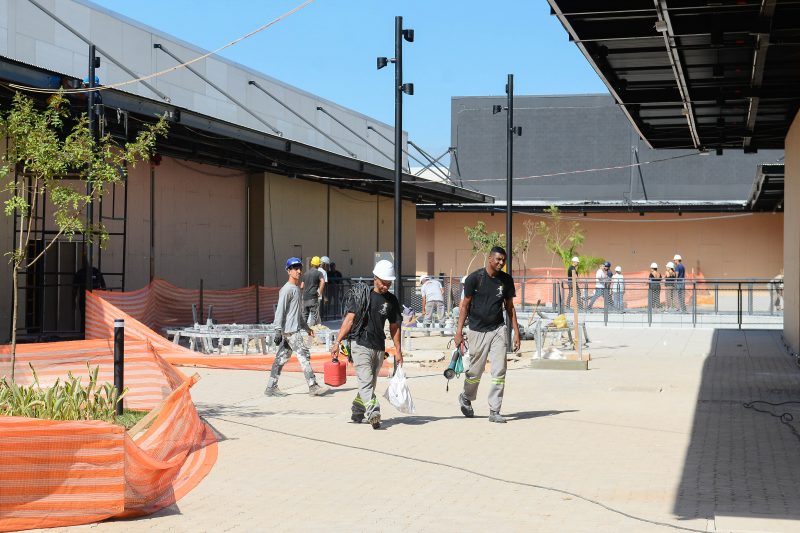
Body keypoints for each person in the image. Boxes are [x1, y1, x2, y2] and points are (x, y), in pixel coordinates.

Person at [332, 259, 403, 429]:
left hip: (378, 347)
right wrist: (337, 341)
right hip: (360, 344)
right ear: (375, 278)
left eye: (389, 283)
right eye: (384, 282)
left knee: (369, 384)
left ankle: (357, 410)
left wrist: (398, 350)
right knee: (365, 382)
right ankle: (374, 412)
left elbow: (394, 327)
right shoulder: (362, 296)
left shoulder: (391, 301)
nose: (386, 286)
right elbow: (350, 319)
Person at [454, 246, 521, 424]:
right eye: (498, 259)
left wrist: (516, 332)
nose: (501, 263)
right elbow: (464, 306)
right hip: (477, 330)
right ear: (490, 259)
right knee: (475, 371)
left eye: (503, 260)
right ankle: (466, 397)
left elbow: (510, 307)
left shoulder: (506, 280)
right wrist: (459, 332)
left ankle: (495, 409)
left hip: (498, 329)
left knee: (499, 370)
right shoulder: (474, 279)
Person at [265, 257, 329, 397]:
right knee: (303, 355)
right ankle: (313, 386)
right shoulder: (287, 289)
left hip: (292, 330)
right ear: (288, 271)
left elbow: (298, 314)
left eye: (299, 268)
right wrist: (277, 330)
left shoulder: (296, 289)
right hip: (291, 331)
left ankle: (271, 387)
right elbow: (280, 310)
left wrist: (307, 328)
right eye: (295, 268)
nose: (299, 271)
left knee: (281, 358)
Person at [73, 258, 106, 328]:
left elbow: (103, 286)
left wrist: (103, 300)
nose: (86, 262)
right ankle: (84, 333)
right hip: (84, 299)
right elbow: (74, 288)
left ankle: (93, 331)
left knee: (94, 315)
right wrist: (73, 300)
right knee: (84, 316)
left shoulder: (95, 271)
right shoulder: (80, 273)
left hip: (95, 299)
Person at [300, 256, 325, 326]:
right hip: (313, 297)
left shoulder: (305, 274)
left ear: (311, 264)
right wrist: (320, 292)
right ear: (319, 265)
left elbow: (301, 286)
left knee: (304, 315)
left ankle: (303, 331)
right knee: (314, 316)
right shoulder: (319, 273)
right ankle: (311, 332)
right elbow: (322, 282)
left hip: (304, 298)